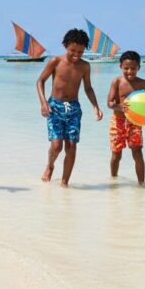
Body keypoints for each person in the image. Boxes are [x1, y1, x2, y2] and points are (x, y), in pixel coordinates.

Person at [36, 28, 103, 186]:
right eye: (73, 50)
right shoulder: (55, 62)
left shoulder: (85, 66)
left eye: (80, 52)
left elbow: (88, 88)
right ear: (65, 45)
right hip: (55, 107)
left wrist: (95, 106)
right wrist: (43, 103)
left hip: (73, 109)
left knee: (72, 146)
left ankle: (65, 183)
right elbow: (40, 81)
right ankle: (50, 165)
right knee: (57, 145)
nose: (76, 55)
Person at [107, 51, 145, 185]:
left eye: (133, 68)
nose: (130, 71)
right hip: (118, 122)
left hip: (135, 122)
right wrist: (120, 107)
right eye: (126, 68)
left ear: (139, 67)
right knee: (116, 153)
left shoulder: (142, 83)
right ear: (121, 66)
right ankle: (113, 180)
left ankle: (141, 184)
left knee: (137, 151)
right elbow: (109, 103)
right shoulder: (117, 82)